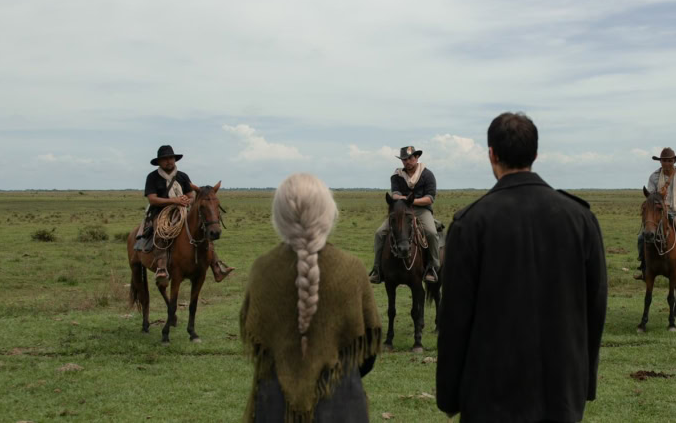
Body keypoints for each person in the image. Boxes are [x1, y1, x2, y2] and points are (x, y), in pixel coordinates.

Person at [436, 113, 608, 423]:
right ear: (536, 154)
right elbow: (595, 310)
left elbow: (454, 319)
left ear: (492, 154)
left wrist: (449, 394)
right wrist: (581, 383)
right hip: (561, 395)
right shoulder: (581, 219)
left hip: (489, 398)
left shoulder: (470, 223)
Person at [239, 173, 382, 422]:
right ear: (328, 212)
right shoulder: (352, 269)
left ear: (280, 216)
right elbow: (368, 352)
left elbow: (254, 339)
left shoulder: (262, 269)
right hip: (341, 403)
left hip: (274, 404)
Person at [138, 145, 234, 285]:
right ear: (159, 162)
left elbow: (191, 196)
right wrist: (174, 200)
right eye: (165, 159)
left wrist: (184, 200)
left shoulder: (182, 176)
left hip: (181, 210)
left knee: (202, 229)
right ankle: (161, 267)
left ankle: (216, 265)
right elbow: (152, 199)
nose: (169, 161)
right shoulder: (152, 177)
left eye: (171, 158)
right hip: (159, 212)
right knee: (161, 231)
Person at [368, 145, 440, 284]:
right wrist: (404, 201)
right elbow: (395, 194)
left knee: (431, 232)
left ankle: (433, 267)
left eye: (410, 158)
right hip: (401, 210)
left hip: (421, 209)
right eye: (404, 159)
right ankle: (377, 269)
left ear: (416, 157)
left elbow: (430, 198)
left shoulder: (427, 174)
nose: (407, 161)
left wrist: (411, 201)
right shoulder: (397, 175)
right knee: (379, 233)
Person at [633, 147, 676, 279]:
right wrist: (660, 200)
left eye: (669, 161)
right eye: (664, 161)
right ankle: (644, 267)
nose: (667, 163)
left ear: (674, 161)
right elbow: (651, 198)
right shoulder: (654, 176)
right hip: (660, 213)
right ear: (660, 162)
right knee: (642, 238)